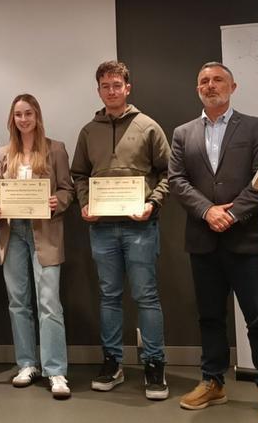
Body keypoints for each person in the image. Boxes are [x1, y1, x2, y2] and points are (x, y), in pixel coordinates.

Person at [168, 61, 258, 422]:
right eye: (203, 81)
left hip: (247, 239)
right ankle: (212, 382)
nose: (210, 86)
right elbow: (178, 180)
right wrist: (207, 211)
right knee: (210, 317)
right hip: (203, 240)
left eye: (217, 80)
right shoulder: (183, 133)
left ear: (233, 86)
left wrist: (231, 213)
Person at [71, 60, 171, 401]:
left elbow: (169, 174)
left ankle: (154, 364)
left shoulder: (148, 127)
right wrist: (85, 204)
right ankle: (112, 361)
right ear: (98, 90)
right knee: (109, 297)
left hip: (140, 227)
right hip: (102, 229)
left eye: (117, 85)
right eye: (105, 86)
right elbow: (79, 175)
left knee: (146, 296)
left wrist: (152, 205)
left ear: (127, 87)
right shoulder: (88, 131)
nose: (111, 91)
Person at [0, 94, 74, 399]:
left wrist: (57, 202)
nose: (23, 119)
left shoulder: (56, 149)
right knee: (18, 302)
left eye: (28, 114)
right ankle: (27, 363)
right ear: (12, 119)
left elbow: (67, 190)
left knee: (49, 302)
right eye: (18, 115)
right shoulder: (4, 154)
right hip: (12, 233)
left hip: (45, 233)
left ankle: (56, 370)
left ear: (37, 116)